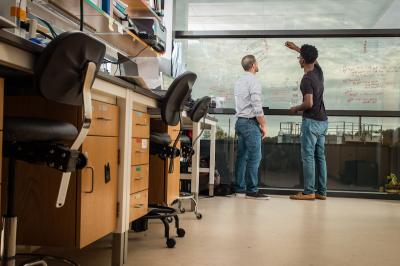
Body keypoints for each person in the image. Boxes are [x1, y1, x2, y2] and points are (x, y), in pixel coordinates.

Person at [285, 42, 328, 201]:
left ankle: (309, 191)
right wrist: (297, 48)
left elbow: (308, 103)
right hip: (323, 121)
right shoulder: (319, 72)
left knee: (308, 157)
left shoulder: (307, 79)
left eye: (299, 57)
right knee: (320, 157)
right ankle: (322, 192)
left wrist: (295, 108)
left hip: (311, 122)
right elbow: (313, 58)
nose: (298, 60)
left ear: (303, 60)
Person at [233, 55, 270, 200]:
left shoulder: (239, 81)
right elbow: (256, 105)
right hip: (249, 123)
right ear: (253, 65)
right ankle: (252, 191)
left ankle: (240, 189)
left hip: (240, 122)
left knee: (242, 157)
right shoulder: (253, 81)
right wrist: (263, 124)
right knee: (255, 157)